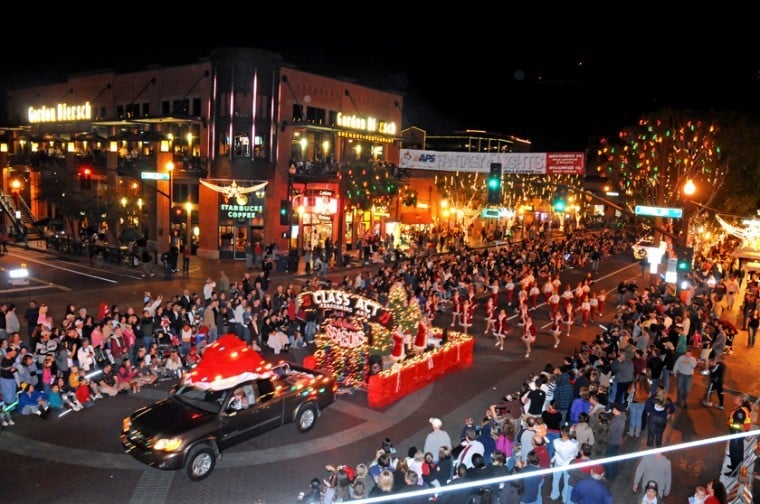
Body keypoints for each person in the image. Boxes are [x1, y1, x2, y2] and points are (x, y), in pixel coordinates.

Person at [726, 393, 752, 476]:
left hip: (737, 433)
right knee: (738, 451)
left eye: (736, 398)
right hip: (738, 434)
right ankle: (735, 466)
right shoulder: (742, 409)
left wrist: (731, 426)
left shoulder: (740, 412)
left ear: (741, 401)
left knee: (734, 452)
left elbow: (739, 425)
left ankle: (734, 471)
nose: (734, 399)